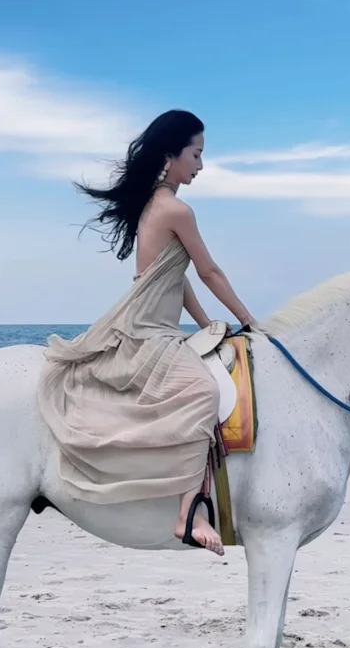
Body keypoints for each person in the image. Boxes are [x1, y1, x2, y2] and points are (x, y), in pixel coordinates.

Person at [37, 111, 264, 555]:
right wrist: (252, 322)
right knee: (202, 392)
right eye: (196, 155)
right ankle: (188, 512)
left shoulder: (155, 207)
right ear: (170, 156)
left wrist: (209, 327)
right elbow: (210, 272)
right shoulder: (176, 209)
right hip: (147, 331)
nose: (200, 165)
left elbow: (176, 280)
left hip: (158, 326)